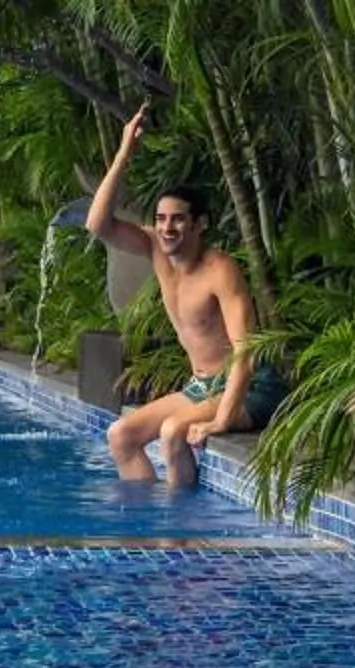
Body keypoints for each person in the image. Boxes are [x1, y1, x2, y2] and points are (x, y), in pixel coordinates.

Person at [81, 105, 284, 486]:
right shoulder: (156, 250)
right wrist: (124, 153)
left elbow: (246, 350)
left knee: (173, 431)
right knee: (121, 435)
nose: (166, 228)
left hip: (250, 387)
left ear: (199, 224)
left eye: (177, 219)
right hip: (200, 386)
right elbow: (97, 225)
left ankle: (178, 522)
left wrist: (222, 418)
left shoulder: (220, 270)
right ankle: (146, 518)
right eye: (160, 219)